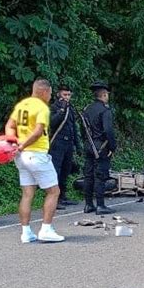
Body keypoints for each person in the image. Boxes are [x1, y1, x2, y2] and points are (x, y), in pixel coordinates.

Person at [4, 79, 65, 243]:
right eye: (50, 93)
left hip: (21, 157)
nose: (51, 96)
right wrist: (23, 145)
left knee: (27, 194)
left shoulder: (23, 105)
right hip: (36, 154)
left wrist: (14, 142)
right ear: (44, 92)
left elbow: (9, 125)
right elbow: (38, 132)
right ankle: (46, 229)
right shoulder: (42, 108)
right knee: (54, 191)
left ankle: (26, 232)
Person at [82, 81, 117, 215]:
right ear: (103, 95)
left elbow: (83, 129)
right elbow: (108, 130)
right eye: (106, 94)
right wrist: (112, 147)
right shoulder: (105, 110)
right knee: (100, 175)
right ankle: (101, 205)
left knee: (88, 175)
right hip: (101, 146)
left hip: (89, 145)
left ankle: (88, 204)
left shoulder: (87, 109)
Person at [49, 85, 81, 208]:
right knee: (56, 170)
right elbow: (52, 123)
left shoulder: (71, 108)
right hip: (57, 143)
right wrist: (61, 111)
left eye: (68, 95)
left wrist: (78, 146)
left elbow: (74, 127)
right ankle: (54, 198)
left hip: (69, 143)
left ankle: (63, 196)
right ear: (58, 95)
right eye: (64, 95)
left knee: (66, 170)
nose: (67, 97)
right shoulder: (54, 107)